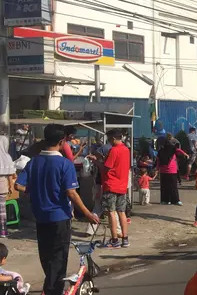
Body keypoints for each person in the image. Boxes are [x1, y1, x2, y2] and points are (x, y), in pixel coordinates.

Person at [14, 124, 100, 295]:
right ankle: (52, 290)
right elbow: (71, 193)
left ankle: (51, 287)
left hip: (40, 217)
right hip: (60, 217)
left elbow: (18, 185)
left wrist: (36, 191)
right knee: (59, 259)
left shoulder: (34, 162)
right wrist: (88, 213)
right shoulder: (64, 164)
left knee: (46, 257)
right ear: (62, 141)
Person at [101, 129, 132, 248]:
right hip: (122, 185)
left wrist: (97, 162)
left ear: (113, 139)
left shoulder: (114, 150)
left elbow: (107, 167)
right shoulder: (126, 150)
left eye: (109, 139)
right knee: (122, 212)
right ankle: (125, 238)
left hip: (111, 185)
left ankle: (114, 239)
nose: (109, 141)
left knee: (111, 213)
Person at [157, 136, 189, 206]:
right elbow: (178, 150)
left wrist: (157, 169)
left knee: (164, 186)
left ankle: (165, 200)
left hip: (163, 170)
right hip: (172, 170)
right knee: (173, 186)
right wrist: (185, 154)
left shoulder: (161, 151)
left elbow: (158, 161)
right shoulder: (173, 149)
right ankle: (175, 200)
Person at [0, 123, 15, 238]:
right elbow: (11, 174)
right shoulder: (6, 157)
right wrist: (11, 185)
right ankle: (3, 231)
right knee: (2, 209)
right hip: (2, 183)